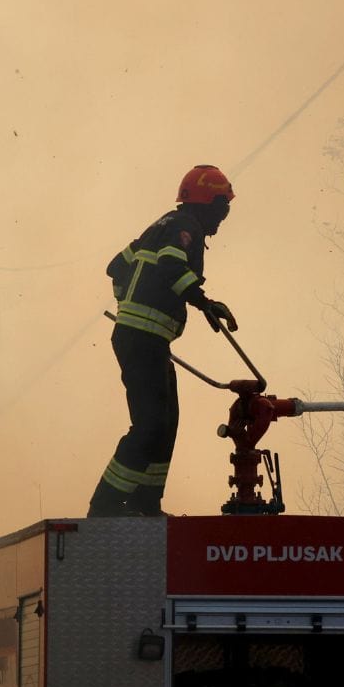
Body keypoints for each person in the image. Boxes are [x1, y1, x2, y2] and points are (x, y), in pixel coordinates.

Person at [87, 164, 241, 517]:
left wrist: (126, 303)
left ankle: (146, 501)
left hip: (146, 339)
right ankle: (105, 506)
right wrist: (205, 302)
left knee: (166, 420)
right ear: (206, 204)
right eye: (222, 209)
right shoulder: (184, 228)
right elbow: (172, 266)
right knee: (151, 423)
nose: (223, 219)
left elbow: (116, 267)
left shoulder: (160, 226)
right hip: (143, 340)